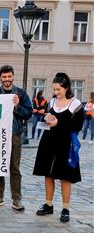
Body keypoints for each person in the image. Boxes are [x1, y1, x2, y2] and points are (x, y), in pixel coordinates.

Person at [33, 73, 84, 223]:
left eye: (58, 90)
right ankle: (48, 204)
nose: (56, 93)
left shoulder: (76, 104)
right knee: (48, 174)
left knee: (65, 177)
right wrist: (46, 119)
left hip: (65, 144)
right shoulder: (51, 102)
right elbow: (47, 118)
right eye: (54, 90)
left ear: (66, 87)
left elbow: (77, 126)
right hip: (48, 142)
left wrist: (58, 124)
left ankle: (66, 208)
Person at [0, 65, 32, 211]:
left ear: (13, 76)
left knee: (14, 167)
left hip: (15, 135)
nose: (7, 79)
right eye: (4, 77)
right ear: (0, 78)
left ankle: (16, 199)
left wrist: (17, 107)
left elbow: (28, 113)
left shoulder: (21, 94)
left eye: (9, 76)